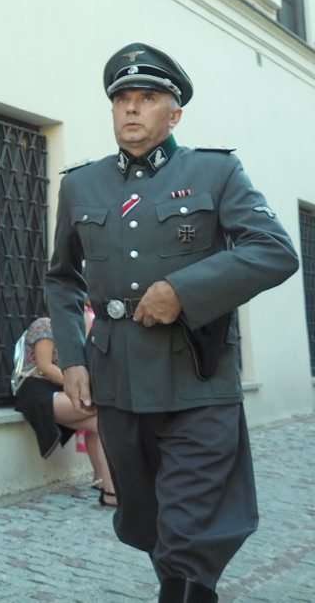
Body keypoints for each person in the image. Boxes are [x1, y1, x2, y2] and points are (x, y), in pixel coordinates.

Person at [45, 43, 298, 603]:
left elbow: (275, 251)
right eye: (123, 100)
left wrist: (183, 291)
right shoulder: (82, 185)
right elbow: (61, 279)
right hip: (118, 383)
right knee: (151, 523)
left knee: (190, 530)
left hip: (196, 380)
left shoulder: (215, 172)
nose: (132, 109)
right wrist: (73, 358)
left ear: (175, 114)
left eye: (147, 98)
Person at [12, 315, 117, 506]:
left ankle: (103, 482)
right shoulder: (45, 325)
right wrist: (79, 387)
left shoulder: (73, 333)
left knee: (102, 424)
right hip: (36, 391)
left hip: (55, 389)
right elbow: (45, 367)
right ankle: (110, 490)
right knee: (104, 411)